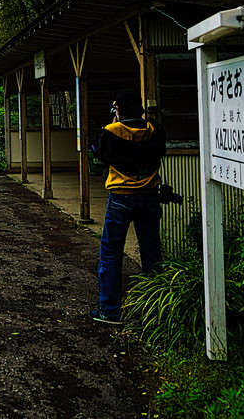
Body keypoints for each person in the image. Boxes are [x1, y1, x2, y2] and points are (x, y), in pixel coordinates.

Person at [89, 88, 166, 325]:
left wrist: (114, 123)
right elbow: (161, 151)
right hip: (150, 195)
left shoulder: (112, 131)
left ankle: (110, 310)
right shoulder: (154, 130)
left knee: (111, 252)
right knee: (151, 251)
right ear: (141, 109)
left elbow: (97, 153)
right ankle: (156, 309)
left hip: (121, 196)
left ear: (119, 110)